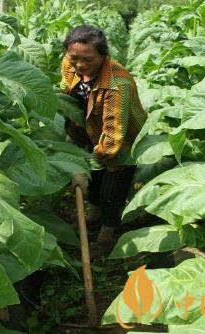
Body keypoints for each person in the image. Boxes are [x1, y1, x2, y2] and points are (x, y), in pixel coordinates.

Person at [60, 25, 147, 256]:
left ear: (103, 55)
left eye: (87, 59)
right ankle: (92, 217)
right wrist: (75, 144)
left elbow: (112, 140)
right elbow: (67, 94)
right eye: (73, 57)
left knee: (112, 191)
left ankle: (107, 236)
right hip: (90, 131)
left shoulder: (118, 85)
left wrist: (81, 167)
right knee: (95, 185)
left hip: (122, 141)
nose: (79, 64)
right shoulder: (70, 65)